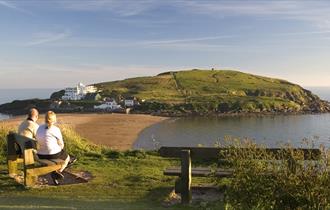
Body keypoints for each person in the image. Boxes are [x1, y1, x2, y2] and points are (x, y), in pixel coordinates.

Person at [36, 111, 70, 185]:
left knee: (57, 153)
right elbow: (61, 144)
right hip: (52, 154)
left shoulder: (39, 127)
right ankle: (57, 172)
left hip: (40, 155)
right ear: (54, 120)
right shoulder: (55, 129)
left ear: (45, 119)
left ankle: (55, 171)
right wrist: (59, 148)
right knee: (67, 157)